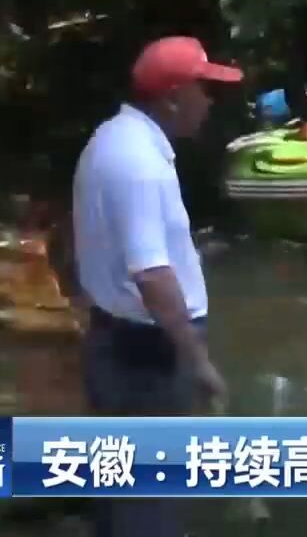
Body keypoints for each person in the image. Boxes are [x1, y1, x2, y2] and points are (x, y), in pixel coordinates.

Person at [70, 35, 238, 537]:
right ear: (173, 96)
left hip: (115, 335)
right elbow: (151, 273)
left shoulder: (111, 138)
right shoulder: (140, 165)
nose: (209, 102)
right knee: (153, 493)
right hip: (147, 352)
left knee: (123, 482)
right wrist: (198, 359)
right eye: (203, 90)